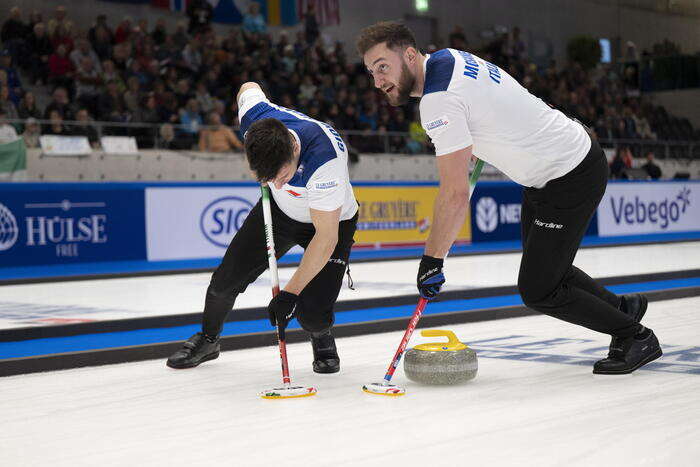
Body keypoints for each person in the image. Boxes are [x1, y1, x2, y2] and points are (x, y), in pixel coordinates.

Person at [357, 21, 661, 375]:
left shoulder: (438, 101)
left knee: (539, 288)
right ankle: (623, 308)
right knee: (547, 271)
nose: (378, 81)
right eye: (371, 72)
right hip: (550, 170)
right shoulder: (448, 58)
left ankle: (635, 335)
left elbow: (454, 195)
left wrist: (432, 260)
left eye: (383, 67)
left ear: (409, 55)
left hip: (569, 172)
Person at [167, 82, 358, 374]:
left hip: (331, 221)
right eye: (267, 178)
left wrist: (290, 294)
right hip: (279, 212)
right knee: (224, 282)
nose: (277, 184)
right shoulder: (256, 119)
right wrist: (272, 179)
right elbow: (247, 87)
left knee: (313, 314)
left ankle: (321, 335)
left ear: (295, 148)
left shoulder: (324, 159)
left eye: (281, 175)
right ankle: (208, 339)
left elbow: (327, 237)